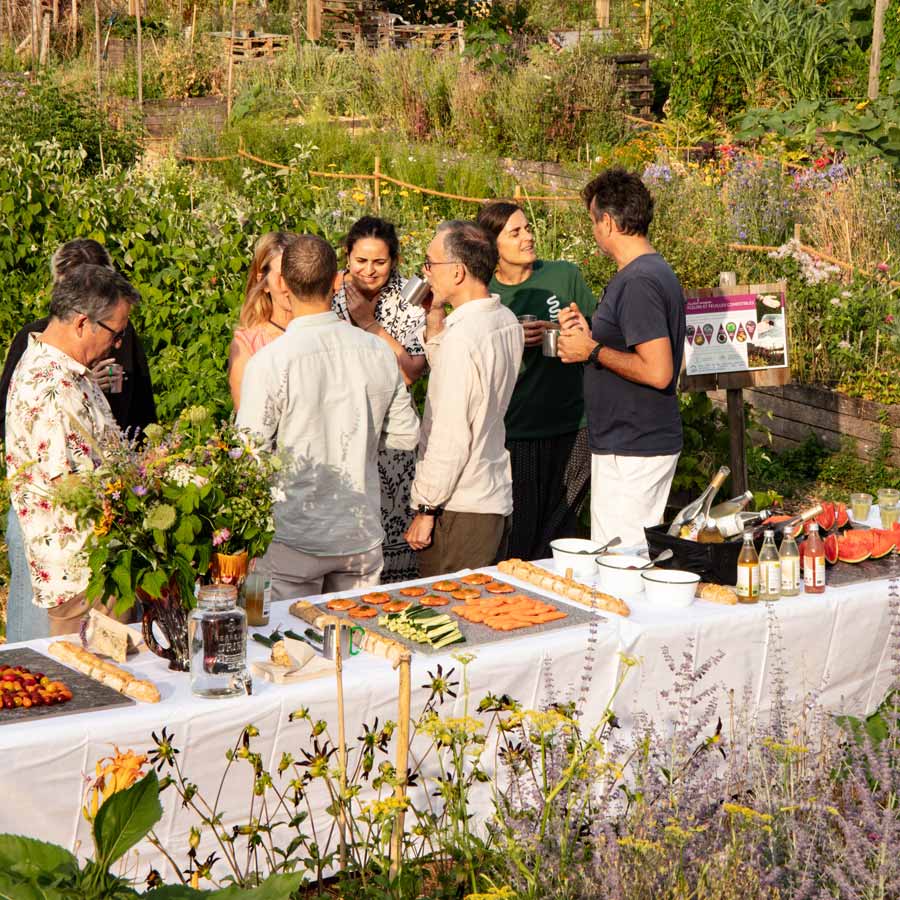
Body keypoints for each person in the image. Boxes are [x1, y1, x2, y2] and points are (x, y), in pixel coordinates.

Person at [236, 234, 420, 601]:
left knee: (284, 633)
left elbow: (248, 454)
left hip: (293, 533)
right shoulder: (376, 352)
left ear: (284, 283)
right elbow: (405, 435)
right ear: (336, 280)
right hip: (358, 530)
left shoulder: (270, 362)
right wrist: (360, 437)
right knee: (354, 632)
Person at [0, 239, 156, 643]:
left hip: (96, 571)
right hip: (86, 579)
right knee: (93, 677)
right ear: (83, 323)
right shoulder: (52, 389)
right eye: (116, 333)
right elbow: (73, 490)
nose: (119, 344)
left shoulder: (68, 371)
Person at [557, 168, 686, 550]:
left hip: (633, 446)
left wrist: (592, 350)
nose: (593, 231)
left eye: (593, 221)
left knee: (621, 559)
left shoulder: (638, 281)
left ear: (608, 223)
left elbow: (659, 371)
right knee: (620, 554)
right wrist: (591, 335)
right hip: (631, 441)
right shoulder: (647, 271)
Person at [476, 201, 596, 560]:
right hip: (518, 429)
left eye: (527, 228)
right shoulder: (485, 294)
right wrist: (511, 337)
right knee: (522, 533)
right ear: (492, 245)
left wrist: (575, 328)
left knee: (564, 530)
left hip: (574, 424)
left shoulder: (563, 275)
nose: (527, 237)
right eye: (515, 232)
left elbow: (596, 334)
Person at [405, 221, 524, 576]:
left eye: (430, 263)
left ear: (457, 272)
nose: (425, 272)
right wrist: (436, 317)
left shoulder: (463, 339)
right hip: (492, 496)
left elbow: (451, 434)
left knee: (445, 606)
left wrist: (426, 508)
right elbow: (460, 380)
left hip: (459, 505)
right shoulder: (505, 320)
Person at [333, 216, 426, 582]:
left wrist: (369, 323)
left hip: (392, 433)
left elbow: (411, 371)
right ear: (347, 256)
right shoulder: (327, 292)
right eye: (360, 260)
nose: (369, 271)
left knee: (393, 532)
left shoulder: (410, 298)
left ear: (395, 260)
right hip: (339, 427)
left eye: (379, 262)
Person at [228, 231, 295, 411]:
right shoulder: (248, 344)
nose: (291, 285)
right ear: (263, 282)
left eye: (296, 274)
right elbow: (247, 416)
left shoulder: (325, 330)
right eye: (282, 276)